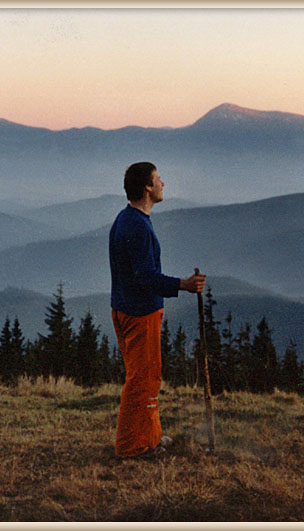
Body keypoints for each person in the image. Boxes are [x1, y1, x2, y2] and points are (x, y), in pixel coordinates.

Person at [109, 161, 206, 459]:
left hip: (125, 308)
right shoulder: (137, 227)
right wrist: (184, 285)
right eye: (159, 179)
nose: (164, 183)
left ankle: (150, 440)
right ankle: (131, 447)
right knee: (143, 380)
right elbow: (145, 277)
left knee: (146, 377)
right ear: (148, 187)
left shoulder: (126, 220)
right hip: (140, 313)